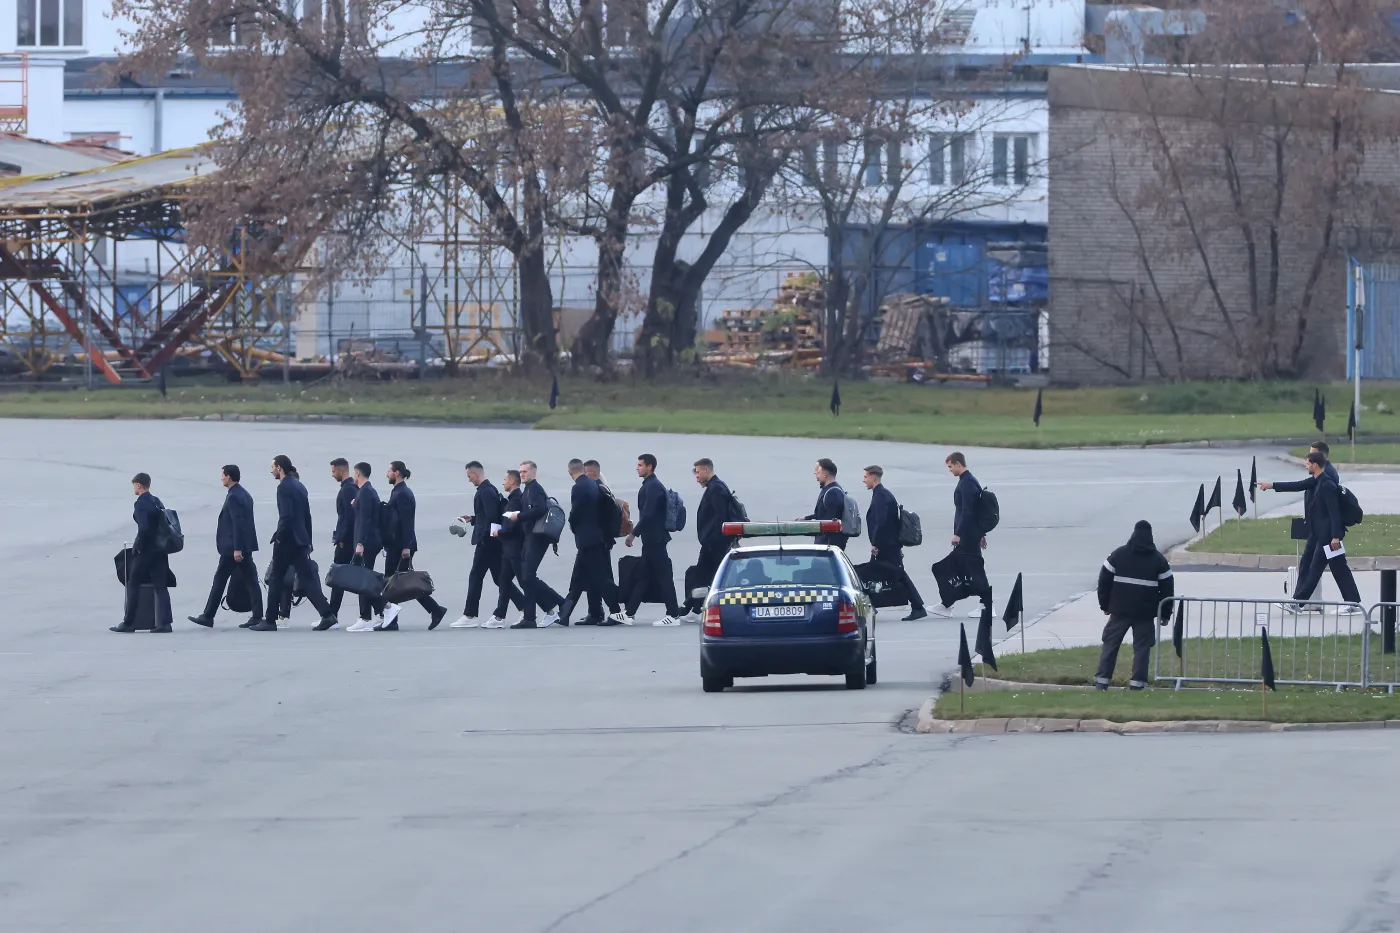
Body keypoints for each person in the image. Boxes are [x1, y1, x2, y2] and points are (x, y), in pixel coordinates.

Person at [1259, 441, 1353, 614]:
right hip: (1318, 532)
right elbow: (1300, 485)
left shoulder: (1328, 480)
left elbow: (1334, 512)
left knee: (1314, 569)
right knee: (1335, 568)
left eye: (1309, 461)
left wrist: (1335, 536)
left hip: (1327, 535)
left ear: (1317, 462)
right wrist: (1271, 485)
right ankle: (1352, 602)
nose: (1305, 464)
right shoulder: (1319, 478)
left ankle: (1297, 603)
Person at [259, 455, 336, 632]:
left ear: (279, 468)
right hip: (300, 540)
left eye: (272, 467)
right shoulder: (299, 486)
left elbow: (286, 516)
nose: (271, 470)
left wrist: (279, 537)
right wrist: (307, 540)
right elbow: (307, 516)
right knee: (307, 579)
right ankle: (327, 614)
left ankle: (270, 620)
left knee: (276, 577)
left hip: (288, 541)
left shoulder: (283, 487)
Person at [1094, 520, 1174, 690]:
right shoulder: (1159, 560)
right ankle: (1138, 684)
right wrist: (1165, 614)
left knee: (1110, 644)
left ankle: (1102, 682)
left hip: (1119, 611)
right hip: (1145, 614)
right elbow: (1168, 589)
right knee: (1142, 649)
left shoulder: (1118, 555)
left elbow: (1103, 582)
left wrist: (1105, 605)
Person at [373, 460, 448, 631]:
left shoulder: (403, 494)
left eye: (389, 471)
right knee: (402, 582)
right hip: (397, 544)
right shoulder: (398, 492)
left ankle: (392, 620)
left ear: (397, 473)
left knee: (393, 583)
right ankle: (434, 610)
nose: (387, 474)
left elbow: (406, 522)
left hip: (401, 546)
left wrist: (406, 547)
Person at [188, 464, 262, 628]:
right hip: (244, 546)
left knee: (220, 580)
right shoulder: (245, 494)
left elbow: (238, 523)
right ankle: (257, 615)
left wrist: (237, 548)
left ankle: (208, 616)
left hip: (233, 549)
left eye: (222, 475)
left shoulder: (234, 496)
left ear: (228, 476)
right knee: (251, 581)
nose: (221, 478)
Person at [452, 461, 525, 628]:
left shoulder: (486, 492)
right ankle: (523, 605)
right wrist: (473, 519)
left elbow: (494, 518)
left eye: (469, 476)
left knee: (476, 576)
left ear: (476, 474)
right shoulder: (487, 491)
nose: (469, 479)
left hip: (487, 542)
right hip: (490, 541)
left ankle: (470, 615)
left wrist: (489, 539)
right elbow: (488, 516)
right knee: (500, 579)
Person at [560, 459, 625, 627]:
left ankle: (617, 612)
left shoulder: (578, 487)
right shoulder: (594, 485)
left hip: (588, 540)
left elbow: (576, 513)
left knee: (599, 578)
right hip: (597, 538)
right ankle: (576, 614)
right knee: (579, 578)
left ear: (569, 472)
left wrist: (573, 525)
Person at [500, 461, 564, 629]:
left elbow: (539, 509)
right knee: (527, 578)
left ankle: (551, 607)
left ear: (534, 473)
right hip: (530, 538)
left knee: (527, 577)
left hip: (537, 538)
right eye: (520, 471)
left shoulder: (535, 489)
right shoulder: (528, 489)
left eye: (525, 471)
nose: (522, 474)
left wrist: (518, 516)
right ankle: (534, 615)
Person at [930, 451, 993, 618]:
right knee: (962, 568)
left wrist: (958, 534)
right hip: (971, 534)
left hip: (967, 536)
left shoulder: (967, 483)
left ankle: (986, 604)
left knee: (972, 568)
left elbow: (968, 511)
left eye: (951, 466)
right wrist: (981, 533)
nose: (950, 470)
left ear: (959, 464)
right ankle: (947, 604)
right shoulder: (967, 481)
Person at [112, 472, 175, 633]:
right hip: (160, 549)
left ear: (138, 485)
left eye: (134, 485)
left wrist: (137, 546)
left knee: (133, 583)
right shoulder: (156, 501)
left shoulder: (140, 503)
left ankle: (129, 622)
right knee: (160, 586)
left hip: (146, 550)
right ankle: (165, 623)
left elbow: (144, 527)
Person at [862, 465, 927, 621]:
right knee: (880, 573)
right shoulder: (881, 494)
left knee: (895, 574)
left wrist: (876, 543)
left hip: (886, 545)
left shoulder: (881, 496)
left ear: (874, 477)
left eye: (865, 477)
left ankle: (918, 607)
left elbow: (882, 521)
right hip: (888, 544)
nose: (864, 480)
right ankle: (871, 606)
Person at [625, 453, 682, 626]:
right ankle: (629, 613)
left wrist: (633, 533)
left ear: (650, 467)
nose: (637, 468)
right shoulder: (650, 485)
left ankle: (673, 615)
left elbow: (648, 514)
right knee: (644, 576)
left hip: (656, 539)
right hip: (652, 540)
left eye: (641, 465)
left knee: (663, 576)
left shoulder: (653, 487)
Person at [683, 458, 732, 622]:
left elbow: (720, 517)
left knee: (706, 575)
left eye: (697, 472)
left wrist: (711, 539)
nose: (696, 476)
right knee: (706, 575)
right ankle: (695, 608)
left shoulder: (716, 489)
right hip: (713, 542)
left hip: (714, 543)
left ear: (706, 470)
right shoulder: (715, 487)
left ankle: (695, 609)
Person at [345, 461, 386, 632]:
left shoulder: (366, 492)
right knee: (365, 578)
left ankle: (366, 617)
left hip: (367, 542)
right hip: (370, 540)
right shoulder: (367, 492)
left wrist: (360, 543)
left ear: (357, 474)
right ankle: (378, 612)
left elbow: (365, 520)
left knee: (363, 580)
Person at [486, 469, 527, 629]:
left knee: (525, 581)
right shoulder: (511, 499)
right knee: (503, 579)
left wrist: (499, 532)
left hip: (514, 547)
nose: (503, 482)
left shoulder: (516, 499)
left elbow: (514, 525)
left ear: (512, 481)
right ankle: (500, 615)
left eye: (505, 479)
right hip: (508, 548)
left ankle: (550, 606)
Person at [327, 457, 358, 618]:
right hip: (346, 540)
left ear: (340, 470)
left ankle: (332, 615)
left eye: (333, 471)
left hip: (345, 542)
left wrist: (342, 539)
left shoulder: (348, 489)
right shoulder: (348, 488)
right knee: (346, 578)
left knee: (339, 577)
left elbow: (349, 517)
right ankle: (332, 614)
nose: (332, 475)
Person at [803, 458, 847, 548]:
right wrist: (806, 518)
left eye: (817, 471)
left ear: (825, 474)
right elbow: (823, 514)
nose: (815, 473)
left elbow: (830, 521)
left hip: (828, 545)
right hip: (825, 543)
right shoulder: (829, 490)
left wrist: (806, 529)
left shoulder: (833, 493)